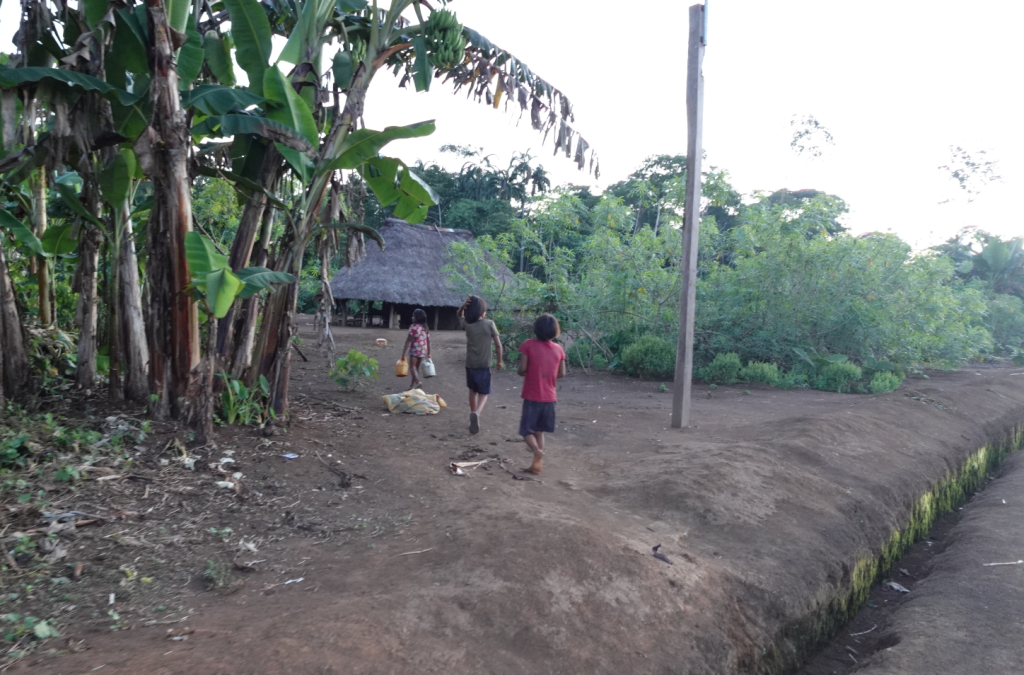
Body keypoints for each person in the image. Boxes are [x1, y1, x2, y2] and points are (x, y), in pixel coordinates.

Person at [517, 314, 566, 475]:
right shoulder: (559, 349)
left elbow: (522, 369)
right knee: (539, 431)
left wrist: (525, 372)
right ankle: (537, 464)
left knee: (526, 431)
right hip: (550, 398)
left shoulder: (528, 345)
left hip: (532, 396)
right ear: (555, 332)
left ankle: (536, 451)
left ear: (536, 329)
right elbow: (562, 373)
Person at [457, 295, 503, 434]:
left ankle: (472, 412)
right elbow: (498, 345)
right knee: (484, 393)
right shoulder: (490, 324)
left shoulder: (467, 325)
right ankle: (477, 413)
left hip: (470, 364)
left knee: (472, 391)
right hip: (484, 365)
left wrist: (462, 307)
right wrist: (500, 361)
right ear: (482, 312)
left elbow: (459, 316)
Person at [401, 308, 431, 389]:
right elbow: (428, 341)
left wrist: (403, 354)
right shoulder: (425, 327)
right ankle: (412, 386)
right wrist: (429, 353)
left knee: (412, 367)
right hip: (423, 350)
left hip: (415, 350)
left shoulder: (413, 327)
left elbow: (408, 341)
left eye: (413, 316)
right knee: (416, 369)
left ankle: (417, 382)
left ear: (417, 318)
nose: (412, 317)